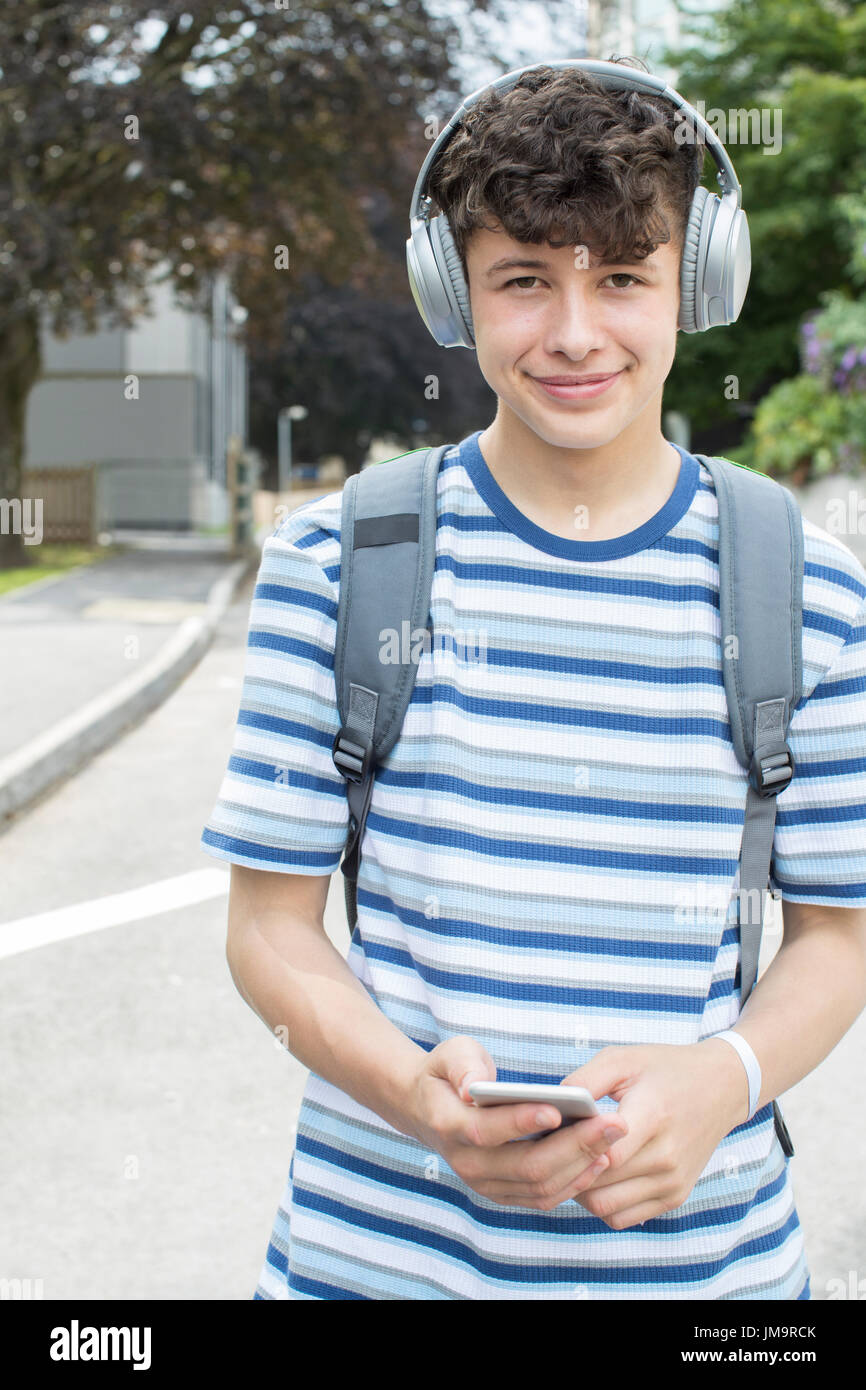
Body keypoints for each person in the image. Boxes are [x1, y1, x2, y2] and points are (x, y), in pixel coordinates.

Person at [200, 59, 866, 1299]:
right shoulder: (336, 564)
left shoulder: (807, 594)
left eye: (621, 276)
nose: (572, 332)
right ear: (452, 293)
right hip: (371, 1269)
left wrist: (720, 1076)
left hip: (708, 1284)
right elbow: (266, 927)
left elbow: (835, 938)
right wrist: (411, 1092)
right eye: (521, 279)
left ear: (696, 284)